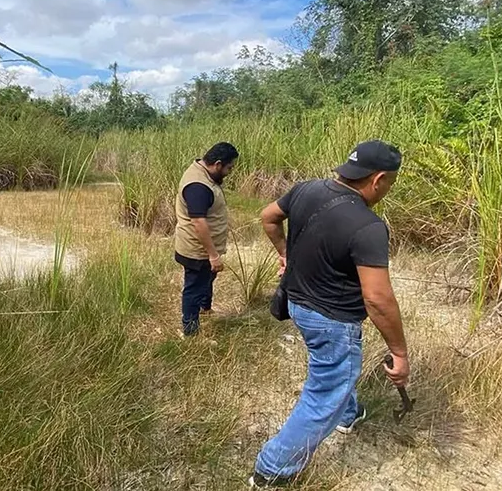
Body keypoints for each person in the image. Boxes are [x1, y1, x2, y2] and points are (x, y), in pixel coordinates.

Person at [249, 140, 411, 488]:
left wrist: (284, 253)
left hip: (297, 304)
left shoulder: (305, 189)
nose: (389, 190)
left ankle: (347, 414)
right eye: (391, 183)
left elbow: (268, 217)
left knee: (337, 371)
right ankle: (272, 469)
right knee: (324, 393)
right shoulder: (368, 226)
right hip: (332, 321)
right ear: (378, 179)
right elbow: (378, 299)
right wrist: (399, 352)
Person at [173, 142, 239, 337]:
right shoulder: (198, 186)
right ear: (217, 164)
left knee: (206, 279)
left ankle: (205, 308)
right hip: (197, 250)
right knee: (194, 288)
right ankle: (190, 331)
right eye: (229, 168)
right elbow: (198, 222)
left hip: (203, 249)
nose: (230, 172)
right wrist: (213, 255)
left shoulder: (204, 174)